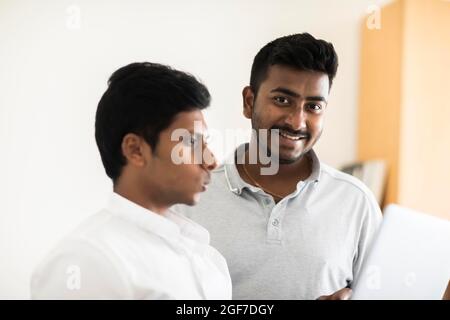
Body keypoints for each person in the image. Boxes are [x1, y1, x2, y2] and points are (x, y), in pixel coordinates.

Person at [172, 33, 382, 300]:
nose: (297, 122)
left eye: (314, 106)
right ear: (249, 102)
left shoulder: (357, 202)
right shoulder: (188, 201)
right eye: (282, 100)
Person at [31, 62, 232, 299]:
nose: (211, 161)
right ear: (135, 150)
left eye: (205, 143)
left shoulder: (207, 258)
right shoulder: (85, 261)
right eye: (190, 143)